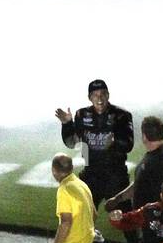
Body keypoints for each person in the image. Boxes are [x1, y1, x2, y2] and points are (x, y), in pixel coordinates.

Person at [105, 116, 163, 243]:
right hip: (149, 224)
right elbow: (139, 184)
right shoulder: (155, 157)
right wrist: (118, 198)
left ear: (144, 136)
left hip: (156, 228)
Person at [56, 79, 134, 207]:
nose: (100, 98)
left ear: (108, 95)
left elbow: (129, 145)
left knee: (125, 220)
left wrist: (115, 142)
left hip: (116, 175)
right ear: (89, 97)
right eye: (95, 95)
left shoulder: (122, 115)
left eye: (103, 94)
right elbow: (72, 143)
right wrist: (67, 124)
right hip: (91, 174)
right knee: (81, 217)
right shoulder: (81, 114)